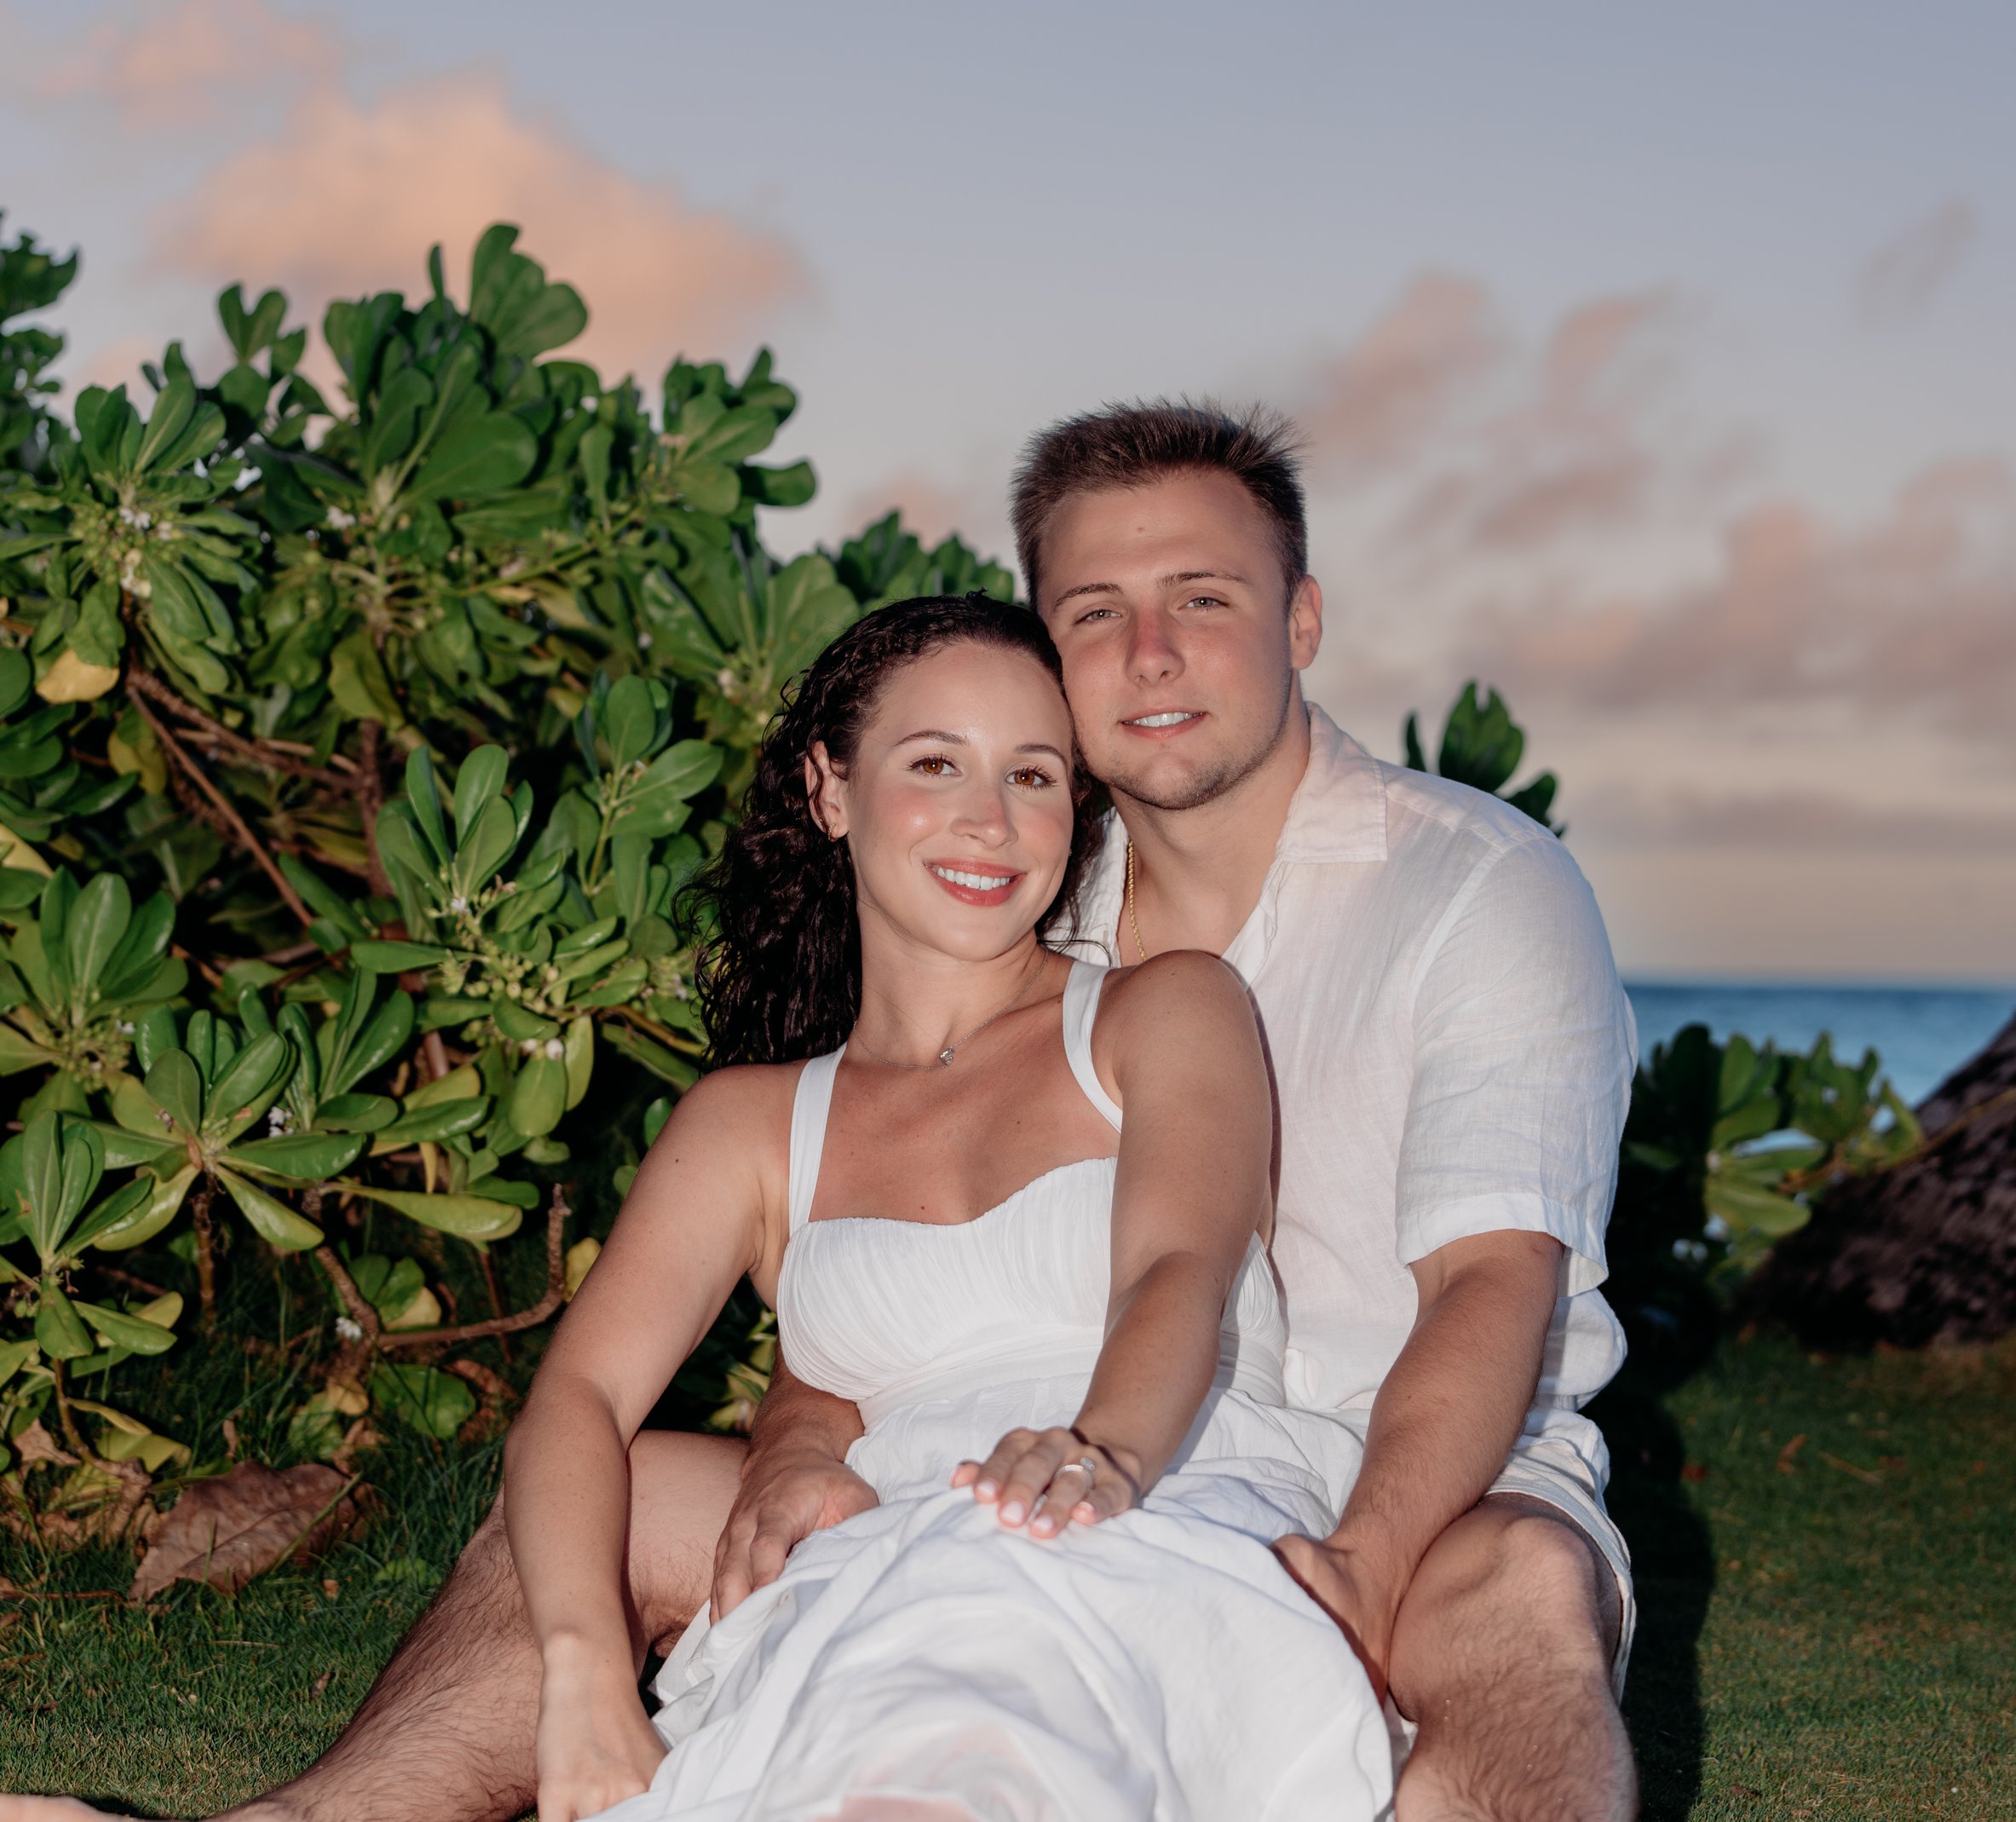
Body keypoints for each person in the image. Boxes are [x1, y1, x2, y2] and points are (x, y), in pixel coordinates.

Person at [5, 400, 1636, 1822]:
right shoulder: (1033, 911)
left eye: (1202, 599)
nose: (1148, 653)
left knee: (1517, 1599)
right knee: (629, 1496)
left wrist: (1341, 1561)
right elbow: (900, 1246)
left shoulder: (1467, 890)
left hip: (1396, 1463)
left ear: (1301, 621)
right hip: (971, 1468)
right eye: (1095, 611)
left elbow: (1454, 1284)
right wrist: (786, 1447)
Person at [510, 591, 1391, 1819]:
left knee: (968, 1726)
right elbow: (579, 1397)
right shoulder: (755, 1123)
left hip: (1161, 1497)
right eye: (937, 763)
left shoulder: (1162, 1011)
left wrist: (1101, 1451)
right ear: (831, 789)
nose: (993, 820)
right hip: (886, 1543)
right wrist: (587, 1674)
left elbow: (1176, 1267)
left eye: (1034, 775)